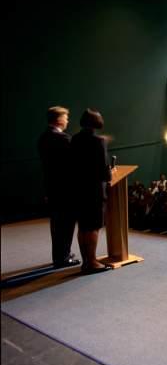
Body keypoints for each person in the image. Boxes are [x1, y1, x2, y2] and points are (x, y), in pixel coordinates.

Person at [71, 109, 113, 274]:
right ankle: (93, 262)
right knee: (94, 226)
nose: (102, 118)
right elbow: (104, 172)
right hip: (94, 190)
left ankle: (86, 261)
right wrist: (110, 173)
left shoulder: (75, 139)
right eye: (99, 116)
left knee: (83, 227)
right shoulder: (98, 141)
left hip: (79, 189)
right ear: (95, 122)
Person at [38, 106, 80, 268]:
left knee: (56, 225)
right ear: (58, 119)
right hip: (66, 189)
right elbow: (74, 162)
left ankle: (59, 255)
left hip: (52, 187)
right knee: (66, 224)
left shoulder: (43, 138)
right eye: (66, 117)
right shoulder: (62, 138)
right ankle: (63, 258)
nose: (68, 120)